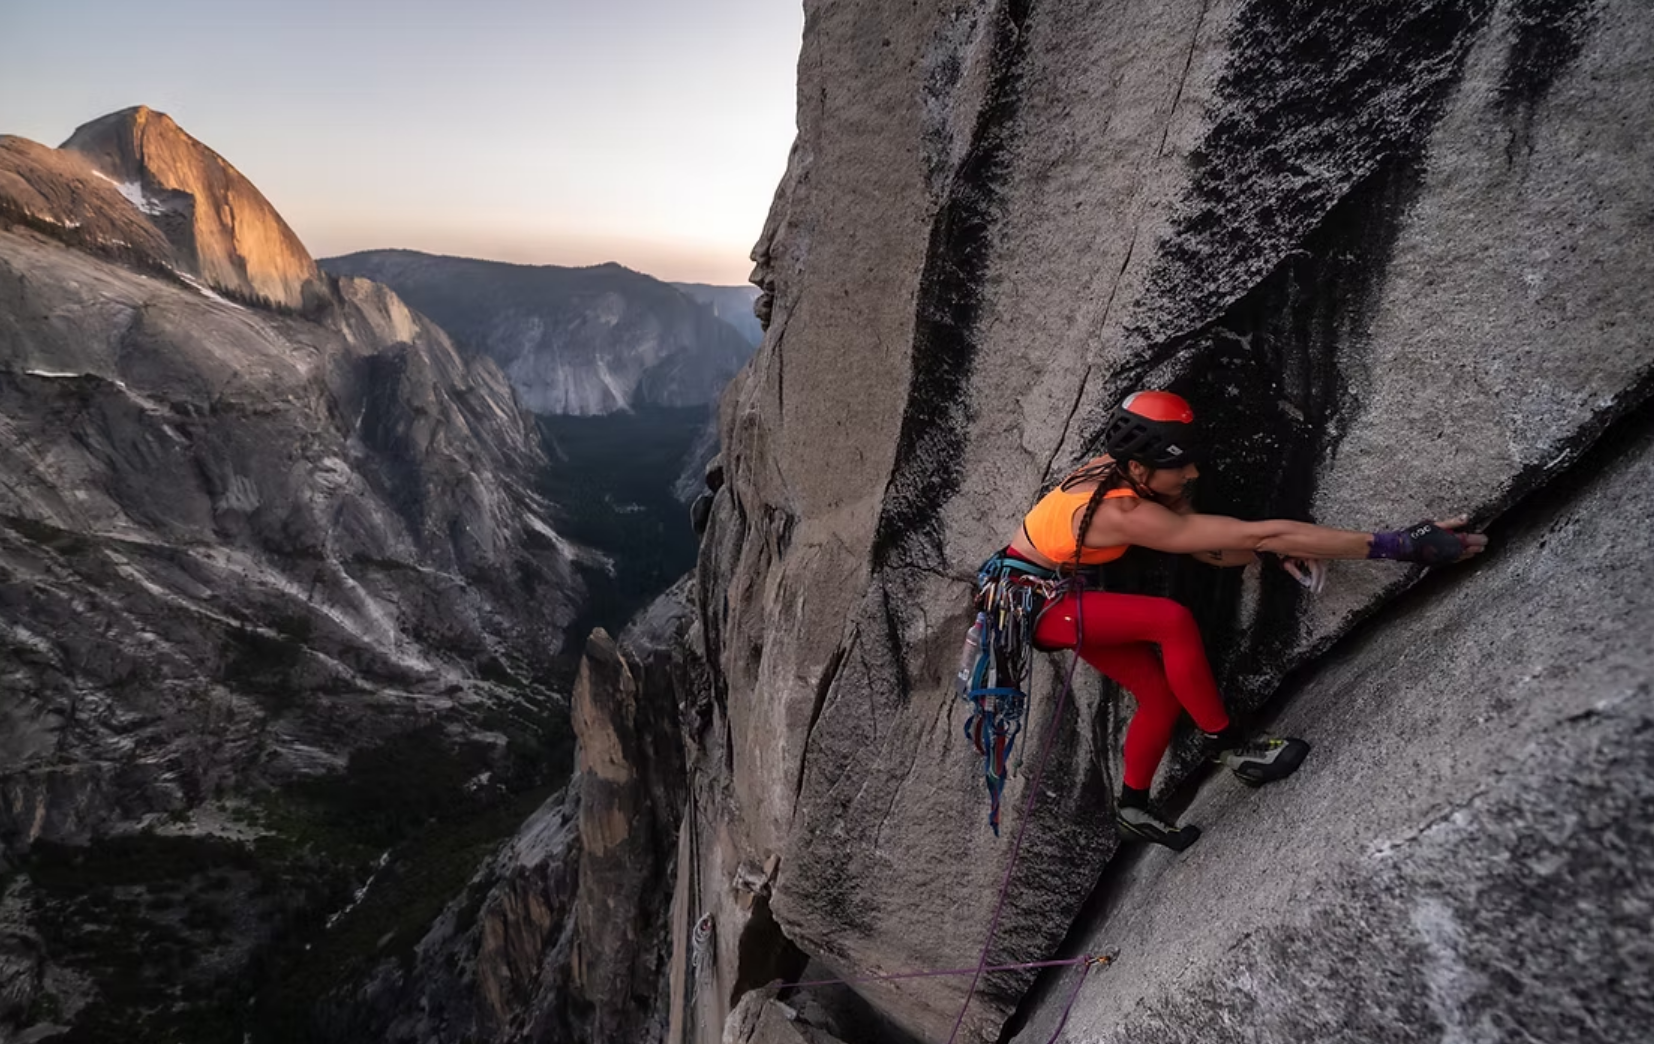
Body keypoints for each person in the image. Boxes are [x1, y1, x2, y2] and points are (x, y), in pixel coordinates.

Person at [993, 390, 1488, 850]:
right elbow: (1255, 534)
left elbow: (1215, 548)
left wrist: (1275, 552)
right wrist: (1399, 545)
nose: (1191, 473)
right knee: (1170, 620)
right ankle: (1231, 750)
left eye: (1189, 459)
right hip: (1030, 603)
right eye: (1178, 465)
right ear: (1141, 470)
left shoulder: (1118, 471)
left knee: (1160, 696)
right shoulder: (1121, 514)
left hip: (1037, 592)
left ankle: (1133, 806)